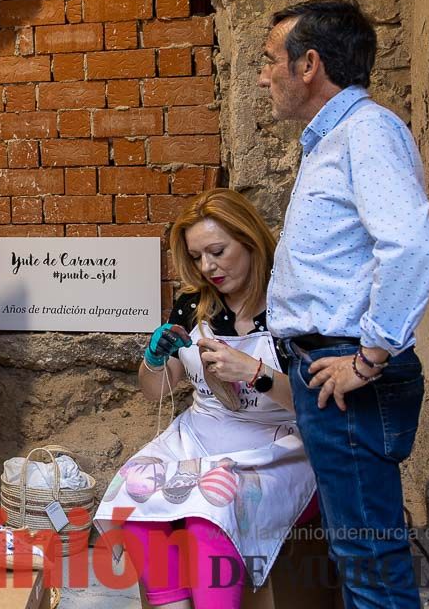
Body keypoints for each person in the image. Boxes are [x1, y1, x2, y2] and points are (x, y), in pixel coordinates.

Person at [259, 0, 429, 607]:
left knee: (369, 559)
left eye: (268, 61)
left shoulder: (366, 131)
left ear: (308, 64)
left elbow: (413, 247)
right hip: (329, 371)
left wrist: (368, 358)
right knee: (357, 553)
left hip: (346, 375)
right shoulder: (332, 140)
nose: (263, 76)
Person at [94, 188, 318, 608]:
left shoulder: (293, 308)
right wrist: (154, 359)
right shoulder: (193, 307)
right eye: (197, 257)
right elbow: (155, 391)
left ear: (249, 240)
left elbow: (317, 404)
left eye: (217, 251)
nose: (208, 267)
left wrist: (255, 374)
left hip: (278, 446)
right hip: (200, 438)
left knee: (209, 512)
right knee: (138, 491)